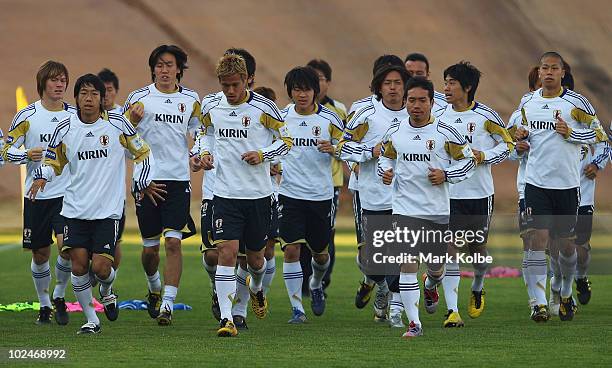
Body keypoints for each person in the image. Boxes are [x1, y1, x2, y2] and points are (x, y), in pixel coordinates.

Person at [28, 73, 159, 334]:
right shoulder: (64, 129)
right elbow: (54, 161)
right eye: (84, 93)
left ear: (102, 99)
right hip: (75, 209)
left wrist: (142, 180)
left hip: (107, 211)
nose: (89, 99)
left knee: (101, 268)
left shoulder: (118, 125)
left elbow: (143, 152)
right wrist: (42, 177)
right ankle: (92, 320)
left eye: (94, 94)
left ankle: (107, 290)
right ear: (76, 98)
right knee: (77, 265)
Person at [196, 53, 292, 337]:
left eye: (235, 84)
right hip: (224, 194)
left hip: (259, 196)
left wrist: (263, 154)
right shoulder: (212, 105)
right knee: (225, 253)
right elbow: (206, 132)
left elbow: (286, 142)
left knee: (256, 262)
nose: (230, 91)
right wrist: (204, 152)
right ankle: (227, 319)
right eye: (225, 85)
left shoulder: (265, 108)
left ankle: (257, 288)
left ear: (247, 80)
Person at [378, 77, 476, 338]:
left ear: (432, 102)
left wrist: (446, 174)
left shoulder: (445, 132)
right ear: (405, 102)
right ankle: (415, 325)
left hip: (436, 211)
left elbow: (468, 162)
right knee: (407, 264)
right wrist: (385, 173)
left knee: (436, 267)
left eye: (422, 100)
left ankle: (432, 284)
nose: (417, 105)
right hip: (404, 209)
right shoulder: (396, 131)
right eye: (412, 100)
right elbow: (385, 159)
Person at [515, 51, 608, 322]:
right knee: (537, 240)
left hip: (568, 186)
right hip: (535, 183)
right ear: (540, 71)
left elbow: (599, 134)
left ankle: (564, 290)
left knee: (566, 248)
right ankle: (538, 303)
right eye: (544, 68)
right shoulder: (528, 102)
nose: (548, 73)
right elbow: (517, 131)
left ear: (563, 73)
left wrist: (572, 134)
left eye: (554, 68)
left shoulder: (576, 103)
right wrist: (519, 135)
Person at [123, 45, 200, 325]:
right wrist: (131, 120)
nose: (164, 70)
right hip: (146, 181)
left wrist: (197, 155)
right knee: (150, 250)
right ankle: (154, 286)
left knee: (173, 244)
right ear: (153, 68)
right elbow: (122, 136)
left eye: (169, 65)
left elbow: (199, 133)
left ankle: (167, 304)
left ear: (179, 68)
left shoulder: (191, 99)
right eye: (159, 65)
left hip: (178, 180)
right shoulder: (138, 98)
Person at [436, 61, 513, 327]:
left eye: (451, 83)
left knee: (478, 252)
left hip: (479, 195)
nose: (445, 88)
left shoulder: (486, 116)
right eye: (445, 82)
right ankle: (452, 311)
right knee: (450, 250)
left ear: (467, 87)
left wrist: (484, 155)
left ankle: (478, 287)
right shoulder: (438, 116)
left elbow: (508, 146)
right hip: (448, 195)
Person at [1, 60, 74, 325]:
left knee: (67, 249)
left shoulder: (74, 116)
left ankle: (59, 294)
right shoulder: (27, 116)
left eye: (63, 80)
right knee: (40, 254)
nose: (60, 84)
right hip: (37, 195)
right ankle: (44, 305)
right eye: (54, 80)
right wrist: (24, 154)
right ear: (43, 83)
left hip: (68, 194)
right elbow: (5, 151)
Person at [338, 63, 410, 322]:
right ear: (379, 87)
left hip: (406, 198)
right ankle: (378, 285)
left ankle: (397, 312)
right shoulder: (366, 114)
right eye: (387, 83)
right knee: (375, 261)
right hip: (373, 196)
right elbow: (343, 148)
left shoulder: (417, 114)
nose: (393, 88)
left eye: (398, 83)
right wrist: (370, 152)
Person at [278, 66, 343, 323]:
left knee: (320, 254)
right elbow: (271, 145)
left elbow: (348, 147)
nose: (302, 94)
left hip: (320, 196)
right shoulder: (281, 117)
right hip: (290, 194)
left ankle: (316, 284)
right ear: (290, 91)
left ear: (315, 91)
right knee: (291, 250)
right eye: (296, 89)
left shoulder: (330, 119)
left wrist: (335, 148)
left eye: (306, 89)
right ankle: (297, 308)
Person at [97, 68, 125, 273]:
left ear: (116, 91)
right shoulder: (86, 116)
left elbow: (135, 152)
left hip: (115, 195)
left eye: (109, 90)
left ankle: (108, 286)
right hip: (87, 192)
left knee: (114, 243)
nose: (105, 95)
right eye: (101, 90)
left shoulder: (125, 117)